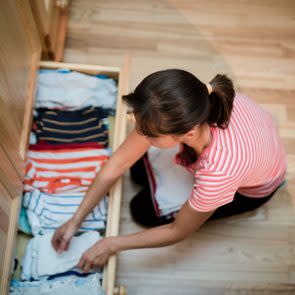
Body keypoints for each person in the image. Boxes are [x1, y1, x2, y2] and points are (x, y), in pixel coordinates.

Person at [51, 69, 287, 272]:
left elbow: (178, 231)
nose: (139, 133)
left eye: (150, 135)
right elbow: (119, 163)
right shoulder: (193, 104)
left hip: (253, 189)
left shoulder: (220, 172)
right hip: (258, 146)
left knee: (142, 210)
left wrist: (110, 244)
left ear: (188, 133)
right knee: (137, 171)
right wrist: (75, 220)